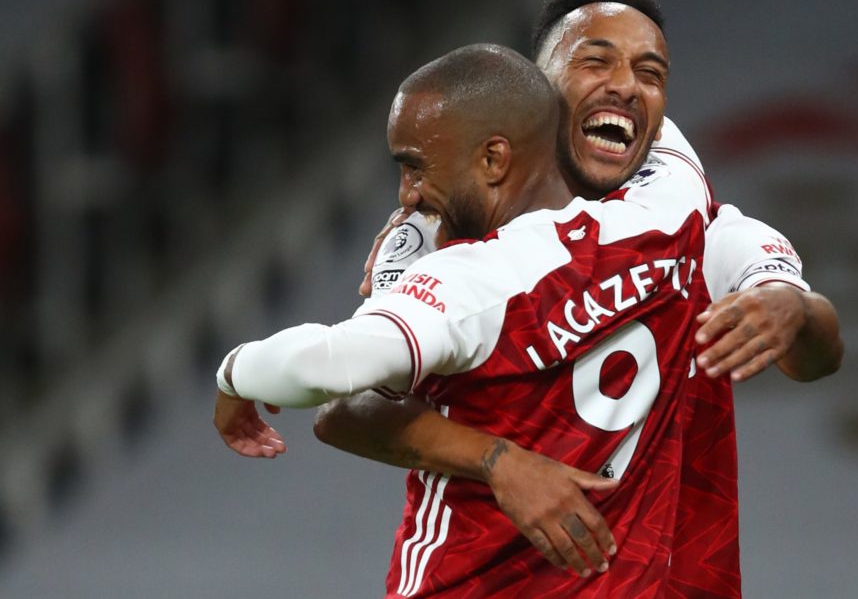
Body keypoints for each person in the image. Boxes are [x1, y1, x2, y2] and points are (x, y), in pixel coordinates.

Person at [314, 0, 843, 597]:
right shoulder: (439, 233)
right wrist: (500, 462)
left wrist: (792, 310)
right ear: (538, 89)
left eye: (651, 74)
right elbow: (344, 407)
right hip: (480, 580)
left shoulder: (686, 222)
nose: (626, 84)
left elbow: (818, 355)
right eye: (596, 60)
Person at [215, 43, 734, 596]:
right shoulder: (663, 215)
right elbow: (653, 122)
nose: (406, 194)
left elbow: (327, 370)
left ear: (493, 160)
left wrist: (233, 374)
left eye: (415, 167)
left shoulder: (474, 282)